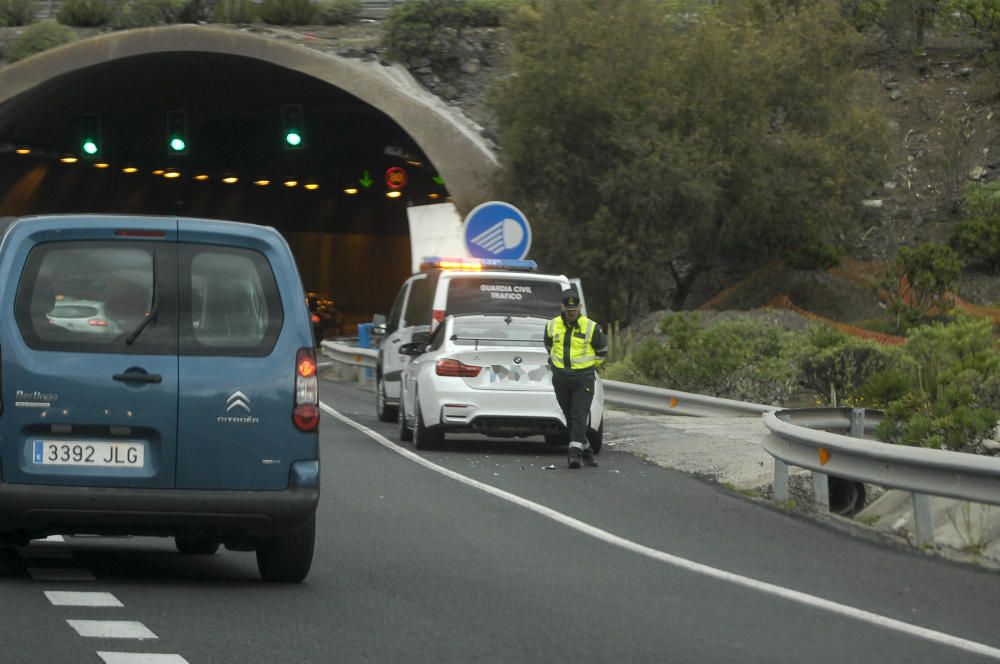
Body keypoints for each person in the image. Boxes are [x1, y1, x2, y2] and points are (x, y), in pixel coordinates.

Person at [544, 288, 608, 469]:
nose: (572, 313)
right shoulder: (551, 325)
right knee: (569, 417)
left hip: (583, 378)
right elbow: (549, 346)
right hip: (561, 378)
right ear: (562, 307)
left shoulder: (591, 327)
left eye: (575, 310)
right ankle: (586, 448)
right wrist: (557, 367)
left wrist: (587, 368)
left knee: (579, 414)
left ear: (580, 307)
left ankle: (574, 452)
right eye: (568, 310)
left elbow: (602, 352)